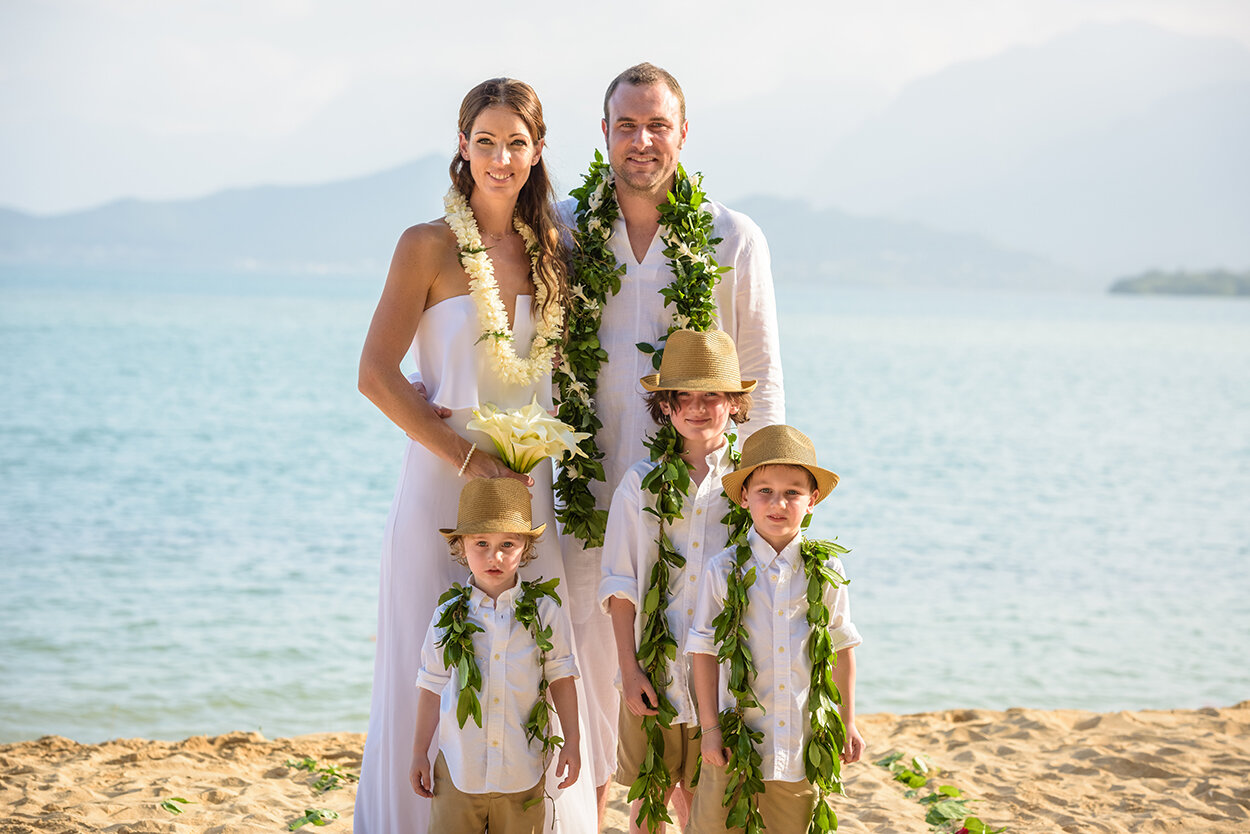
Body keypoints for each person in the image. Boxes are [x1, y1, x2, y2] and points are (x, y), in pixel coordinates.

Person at [355, 77, 596, 833]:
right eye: (485, 142)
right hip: (442, 481)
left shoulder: (558, 250)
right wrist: (466, 460)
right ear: (462, 146)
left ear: (538, 150)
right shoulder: (425, 245)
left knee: (536, 656)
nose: (500, 158)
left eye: (516, 143)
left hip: (528, 491)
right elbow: (375, 375)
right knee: (424, 663)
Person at [556, 61, 786, 819]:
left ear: (683, 132)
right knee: (585, 662)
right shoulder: (563, 228)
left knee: (694, 670)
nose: (642, 140)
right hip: (585, 491)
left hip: (697, 496)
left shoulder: (732, 237)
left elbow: (759, 374)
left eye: (658, 125)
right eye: (626, 125)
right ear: (604, 133)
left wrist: (764, 496)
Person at [598, 329, 755, 832]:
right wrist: (629, 670)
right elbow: (620, 583)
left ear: (734, 403)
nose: (698, 407)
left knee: (707, 807)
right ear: (665, 407)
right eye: (683, 396)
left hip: (724, 680)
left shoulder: (753, 485)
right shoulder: (639, 485)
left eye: (711, 395)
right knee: (649, 800)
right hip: (656, 671)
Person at [685, 425, 865, 833]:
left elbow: (842, 647)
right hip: (736, 740)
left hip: (799, 744)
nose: (778, 503)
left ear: (812, 500)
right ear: (744, 497)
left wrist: (847, 721)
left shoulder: (826, 569)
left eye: (792, 493)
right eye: (764, 490)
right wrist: (710, 730)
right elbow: (704, 651)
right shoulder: (723, 569)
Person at [410, 477, 581, 834]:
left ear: (525, 547)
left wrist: (573, 743)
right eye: (481, 543)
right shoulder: (448, 615)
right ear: (461, 546)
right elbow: (431, 685)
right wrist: (419, 752)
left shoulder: (545, 612)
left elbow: (562, 678)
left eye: (508, 544)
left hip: (522, 771)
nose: (495, 557)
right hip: (459, 770)